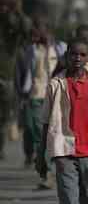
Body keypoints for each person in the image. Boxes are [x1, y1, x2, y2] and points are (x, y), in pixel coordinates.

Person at [35, 37, 88, 204]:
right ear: (67, 55)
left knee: (87, 198)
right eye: (74, 54)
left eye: (83, 55)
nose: (78, 58)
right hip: (64, 150)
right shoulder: (56, 84)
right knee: (69, 198)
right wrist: (41, 154)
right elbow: (46, 122)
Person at [15, 14, 67, 188]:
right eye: (34, 28)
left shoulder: (60, 48)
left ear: (47, 30)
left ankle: (49, 173)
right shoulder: (30, 50)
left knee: (46, 135)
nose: (36, 32)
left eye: (39, 28)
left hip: (54, 98)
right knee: (34, 131)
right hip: (34, 97)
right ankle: (45, 168)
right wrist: (22, 94)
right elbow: (23, 73)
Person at [0, 0, 28, 159]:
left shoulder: (13, 26)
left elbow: (26, 29)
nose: (3, 8)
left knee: (4, 117)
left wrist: (18, 10)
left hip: (7, 77)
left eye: (6, 6)